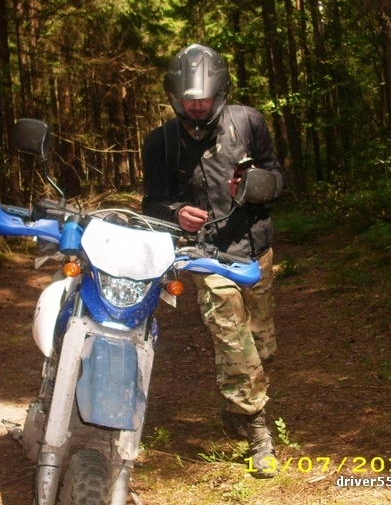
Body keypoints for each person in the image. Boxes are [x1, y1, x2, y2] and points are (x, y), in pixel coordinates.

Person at [141, 43, 285, 478]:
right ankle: (259, 433)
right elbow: (152, 202)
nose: (197, 106)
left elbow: (279, 177)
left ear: (220, 91)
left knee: (261, 347)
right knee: (233, 341)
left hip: (255, 249)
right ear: (175, 97)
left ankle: (237, 409)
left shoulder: (249, 122)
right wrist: (175, 213)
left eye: (204, 98)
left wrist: (256, 183)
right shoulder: (161, 142)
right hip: (205, 256)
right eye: (189, 99)